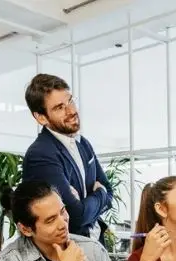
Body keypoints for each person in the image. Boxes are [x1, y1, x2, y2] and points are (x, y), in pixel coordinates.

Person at [22, 73, 113, 243]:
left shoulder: (83, 144)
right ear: (41, 117)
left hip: (95, 246)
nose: (72, 111)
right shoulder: (41, 154)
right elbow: (75, 216)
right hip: (66, 252)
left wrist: (92, 199)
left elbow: (110, 192)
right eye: (59, 107)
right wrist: (100, 193)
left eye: (70, 101)